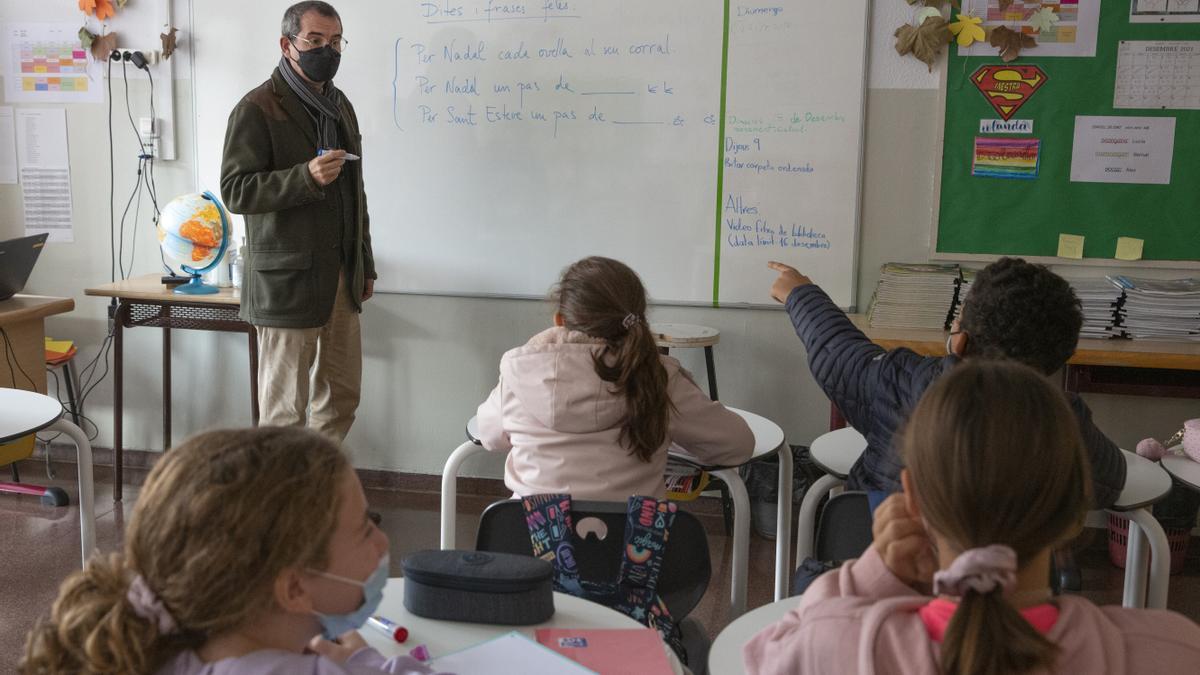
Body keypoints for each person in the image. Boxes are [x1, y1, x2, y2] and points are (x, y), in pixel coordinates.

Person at [743, 361, 1200, 675]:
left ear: (913, 501)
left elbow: (764, 656)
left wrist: (875, 573)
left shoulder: (834, 645)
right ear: (1075, 510)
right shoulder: (1172, 652)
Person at [19, 427, 433, 675]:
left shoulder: (160, 648)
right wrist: (362, 660)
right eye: (364, 531)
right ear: (293, 589)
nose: (383, 542)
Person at [767, 256, 1125, 511]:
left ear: (960, 341)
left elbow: (839, 352)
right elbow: (1109, 481)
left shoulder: (902, 383)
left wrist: (800, 293)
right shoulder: (1063, 420)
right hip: (1000, 601)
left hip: (887, 581)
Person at [476, 256, 755, 501]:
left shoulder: (521, 372)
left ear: (559, 320)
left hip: (530, 550)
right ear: (637, 317)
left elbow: (490, 437)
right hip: (632, 555)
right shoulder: (658, 377)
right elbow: (737, 445)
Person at [221, 1, 374, 441]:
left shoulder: (339, 105)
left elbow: (355, 193)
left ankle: (319, 498)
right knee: (285, 409)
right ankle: (281, 507)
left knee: (341, 395)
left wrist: (364, 260)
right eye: (316, 40)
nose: (329, 50)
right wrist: (303, 177)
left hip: (341, 275)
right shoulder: (256, 108)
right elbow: (236, 190)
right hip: (287, 282)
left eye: (336, 41)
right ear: (287, 45)